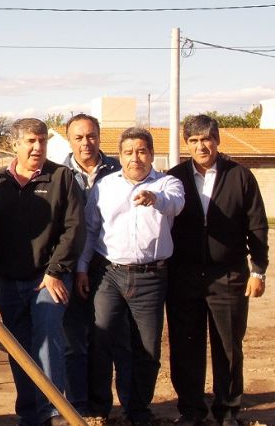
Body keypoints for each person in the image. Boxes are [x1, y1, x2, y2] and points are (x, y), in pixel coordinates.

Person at [0, 118, 84, 426]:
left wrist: (55, 271)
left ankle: (53, 414)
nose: (38, 147)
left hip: (48, 281)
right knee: (19, 349)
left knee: (48, 344)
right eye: (30, 141)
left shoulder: (61, 178)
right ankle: (29, 415)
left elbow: (74, 228)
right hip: (7, 281)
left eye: (42, 141)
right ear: (15, 144)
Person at [78, 127, 185, 426]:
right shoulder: (104, 186)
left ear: (150, 153)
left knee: (147, 349)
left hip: (151, 277)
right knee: (100, 341)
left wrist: (155, 199)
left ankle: (137, 410)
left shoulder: (168, 183)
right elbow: (90, 230)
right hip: (108, 274)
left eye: (141, 151)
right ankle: (98, 408)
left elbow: (176, 204)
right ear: (120, 156)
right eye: (128, 152)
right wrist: (83, 268)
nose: (135, 158)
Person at [167, 115, 268, 426]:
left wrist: (258, 270)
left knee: (228, 347)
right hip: (184, 277)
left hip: (229, 275)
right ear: (186, 145)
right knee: (186, 346)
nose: (201, 146)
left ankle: (227, 411)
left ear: (217, 140)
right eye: (194, 141)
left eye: (206, 139)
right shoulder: (174, 179)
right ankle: (191, 411)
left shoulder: (241, 176)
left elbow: (257, 225)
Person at [60, 113, 130, 418]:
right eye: (78, 137)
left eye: (91, 136)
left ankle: (105, 406)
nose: (86, 143)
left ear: (100, 137)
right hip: (69, 267)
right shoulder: (59, 174)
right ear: (69, 140)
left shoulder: (121, 168)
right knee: (75, 341)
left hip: (110, 267)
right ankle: (79, 408)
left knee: (108, 340)